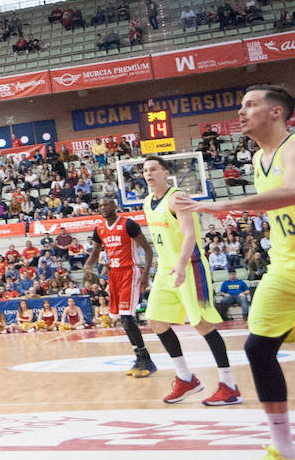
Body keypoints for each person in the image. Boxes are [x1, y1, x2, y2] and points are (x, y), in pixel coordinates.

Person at [177, 84, 295, 460]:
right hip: (287, 266)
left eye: (250, 105)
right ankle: (283, 447)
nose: (241, 112)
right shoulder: (258, 158)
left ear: (276, 112)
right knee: (258, 348)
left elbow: (294, 192)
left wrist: (222, 205)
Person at [141, 156, 242, 406]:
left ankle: (228, 385)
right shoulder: (146, 203)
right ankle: (186, 378)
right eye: (144, 170)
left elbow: (189, 234)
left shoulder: (177, 198)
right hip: (166, 270)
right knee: (155, 321)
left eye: (153, 169)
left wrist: (181, 263)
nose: (148, 173)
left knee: (203, 324)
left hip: (190, 267)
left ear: (166, 173)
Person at [84, 197, 156, 377]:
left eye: (106, 204)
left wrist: (146, 274)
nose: (102, 207)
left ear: (114, 206)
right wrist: (88, 266)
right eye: (99, 205)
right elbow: (95, 253)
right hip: (114, 274)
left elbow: (148, 249)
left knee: (126, 317)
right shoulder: (99, 228)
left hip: (130, 272)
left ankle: (145, 359)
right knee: (122, 319)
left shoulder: (128, 224)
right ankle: (140, 358)